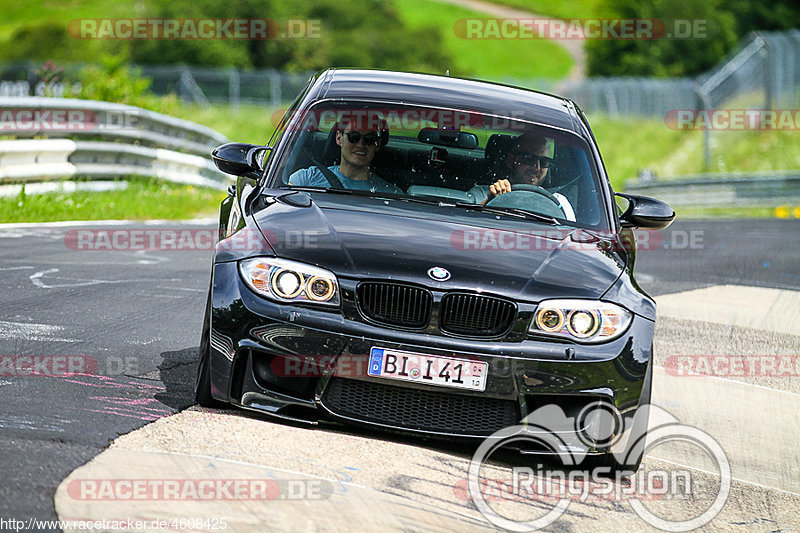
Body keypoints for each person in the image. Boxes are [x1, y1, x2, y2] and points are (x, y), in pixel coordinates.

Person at [469, 133, 576, 221]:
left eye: (544, 162)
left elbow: (571, 235)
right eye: (529, 159)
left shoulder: (559, 202)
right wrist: (490, 201)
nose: (537, 168)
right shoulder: (483, 193)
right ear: (511, 160)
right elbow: (466, 223)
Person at [289, 119, 401, 194]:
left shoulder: (392, 193)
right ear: (339, 138)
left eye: (369, 139)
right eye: (353, 137)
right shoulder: (306, 180)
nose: (361, 145)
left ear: (378, 144)